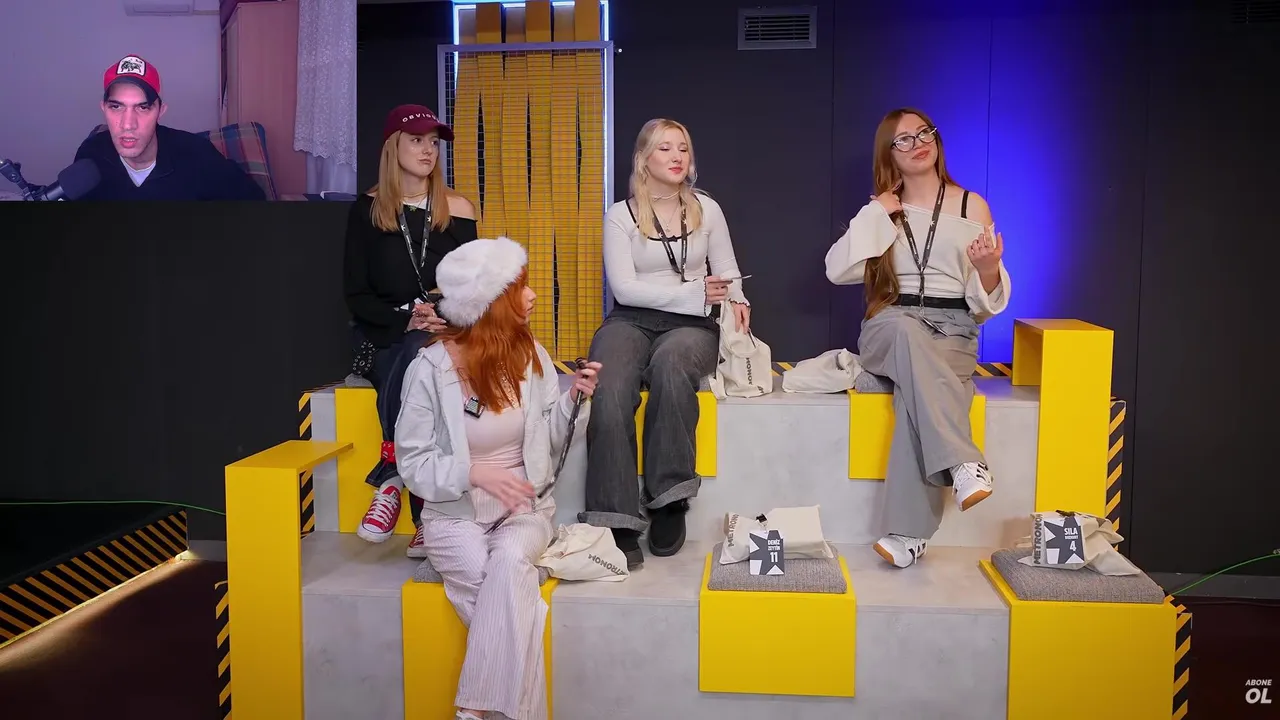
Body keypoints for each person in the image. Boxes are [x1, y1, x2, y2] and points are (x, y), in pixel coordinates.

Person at [395, 237, 600, 720]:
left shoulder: (532, 356)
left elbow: (551, 441)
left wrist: (575, 400)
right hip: (453, 517)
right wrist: (472, 472)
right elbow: (413, 463)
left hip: (525, 509)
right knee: (508, 593)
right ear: (487, 302)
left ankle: (472, 710)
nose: (532, 296)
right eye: (518, 288)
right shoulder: (429, 369)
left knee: (508, 562)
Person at [824, 107, 1011, 569]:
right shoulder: (882, 210)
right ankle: (963, 461)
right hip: (891, 322)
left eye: (924, 133)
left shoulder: (972, 207)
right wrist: (876, 213)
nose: (918, 143)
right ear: (888, 153)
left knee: (915, 394)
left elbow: (984, 301)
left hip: (954, 329)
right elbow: (836, 270)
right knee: (908, 333)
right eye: (903, 139)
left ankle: (908, 534)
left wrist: (988, 268)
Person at [582, 118, 750, 569]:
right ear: (643, 159)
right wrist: (693, 293)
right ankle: (615, 516)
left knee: (672, 366)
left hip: (692, 324)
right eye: (665, 148)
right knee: (611, 386)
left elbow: (727, 269)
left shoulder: (706, 209)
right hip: (631, 319)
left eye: (683, 148)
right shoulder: (620, 215)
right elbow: (624, 289)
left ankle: (669, 498)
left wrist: (738, 298)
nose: (676, 156)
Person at [345, 104, 478, 557]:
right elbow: (356, 293)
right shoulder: (366, 210)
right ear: (392, 147)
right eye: (416, 140)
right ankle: (425, 515)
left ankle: (391, 476)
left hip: (446, 327)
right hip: (387, 329)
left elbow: (474, 286)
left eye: (433, 143)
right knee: (413, 355)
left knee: (425, 353)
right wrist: (405, 319)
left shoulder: (458, 208)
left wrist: (443, 313)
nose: (428, 150)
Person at [74, 55, 265, 201]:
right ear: (103, 109)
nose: (128, 124)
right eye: (116, 107)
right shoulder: (91, 155)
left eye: (143, 107)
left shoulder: (198, 154)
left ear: (160, 111)